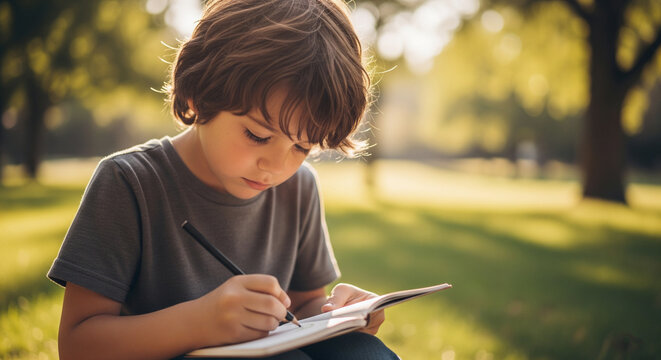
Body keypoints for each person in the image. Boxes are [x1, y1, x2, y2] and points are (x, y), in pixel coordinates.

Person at [47, 0, 399, 359]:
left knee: (365, 353)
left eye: (302, 146)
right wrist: (200, 322)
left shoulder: (299, 187)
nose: (275, 167)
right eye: (258, 136)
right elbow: (77, 345)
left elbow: (303, 305)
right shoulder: (129, 183)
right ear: (198, 93)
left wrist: (338, 316)